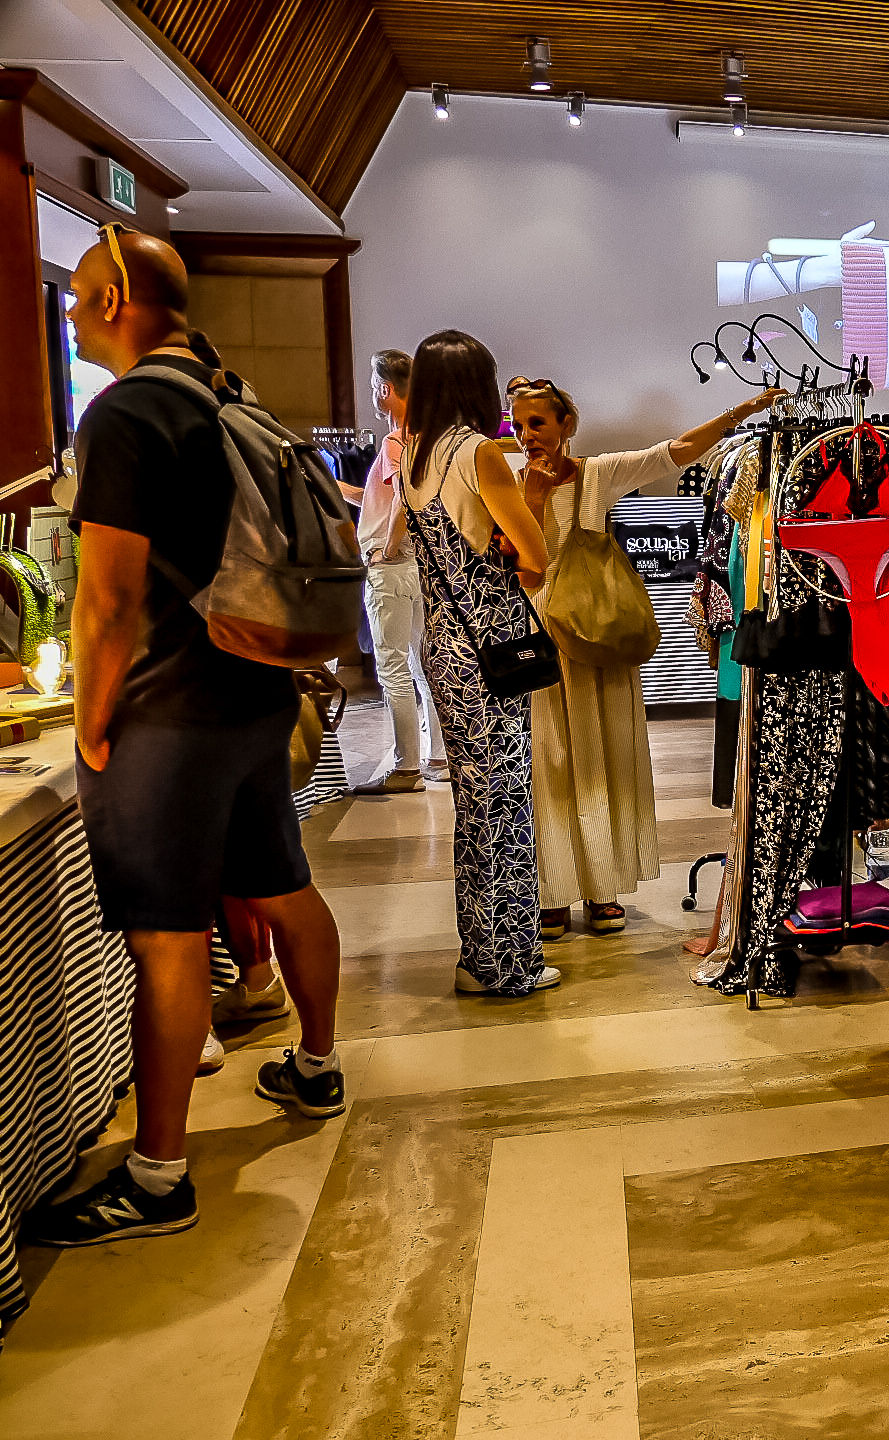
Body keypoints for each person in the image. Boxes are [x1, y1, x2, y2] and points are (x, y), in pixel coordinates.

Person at [29, 227, 345, 1247]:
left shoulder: (124, 414)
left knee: (165, 938)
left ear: (115, 299)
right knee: (284, 885)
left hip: (168, 712)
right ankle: (317, 1067)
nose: (71, 314)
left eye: (79, 296)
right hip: (255, 689)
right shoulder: (228, 393)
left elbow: (107, 599)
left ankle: (158, 1177)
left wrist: (89, 728)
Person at [507, 378, 783, 939]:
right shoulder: (508, 483)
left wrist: (742, 411)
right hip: (541, 635)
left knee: (603, 758)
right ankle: (552, 890)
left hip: (597, 634)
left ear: (566, 424)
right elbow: (517, 564)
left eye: (538, 422)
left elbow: (673, 452)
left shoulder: (597, 474)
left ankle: (602, 888)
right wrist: (531, 499)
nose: (527, 435)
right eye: (518, 424)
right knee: (549, 764)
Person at [401, 331, 554, 996]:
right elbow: (535, 557)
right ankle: (506, 965)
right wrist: (531, 502)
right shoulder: (479, 452)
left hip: (444, 643)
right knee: (505, 805)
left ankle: (479, 954)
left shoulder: (417, 455)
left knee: (475, 803)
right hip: (491, 649)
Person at [355, 349, 448, 794]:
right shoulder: (424, 439)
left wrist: (387, 548)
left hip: (392, 566)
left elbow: (401, 500)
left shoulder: (396, 441)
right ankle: (437, 757)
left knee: (393, 667)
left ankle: (406, 767)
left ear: (385, 389)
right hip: (415, 567)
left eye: (375, 386)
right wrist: (340, 490)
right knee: (419, 665)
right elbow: (385, 497)